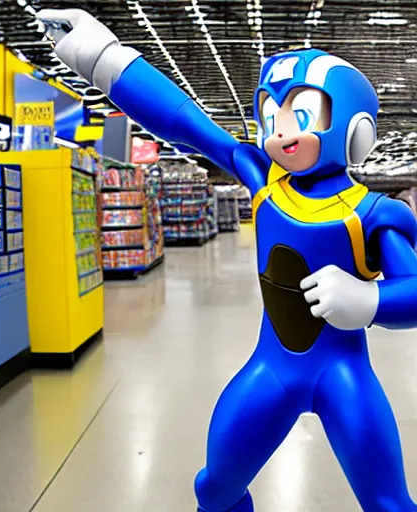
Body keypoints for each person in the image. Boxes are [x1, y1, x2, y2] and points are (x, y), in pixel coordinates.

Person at [38, 9, 417, 511]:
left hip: (345, 377)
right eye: (272, 114)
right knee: (215, 487)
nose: (282, 132)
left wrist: (368, 299)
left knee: (389, 503)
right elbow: (186, 124)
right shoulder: (264, 180)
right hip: (272, 370)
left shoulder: (372, 214)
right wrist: (100, 57)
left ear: (354, 129)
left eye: (301, 115)